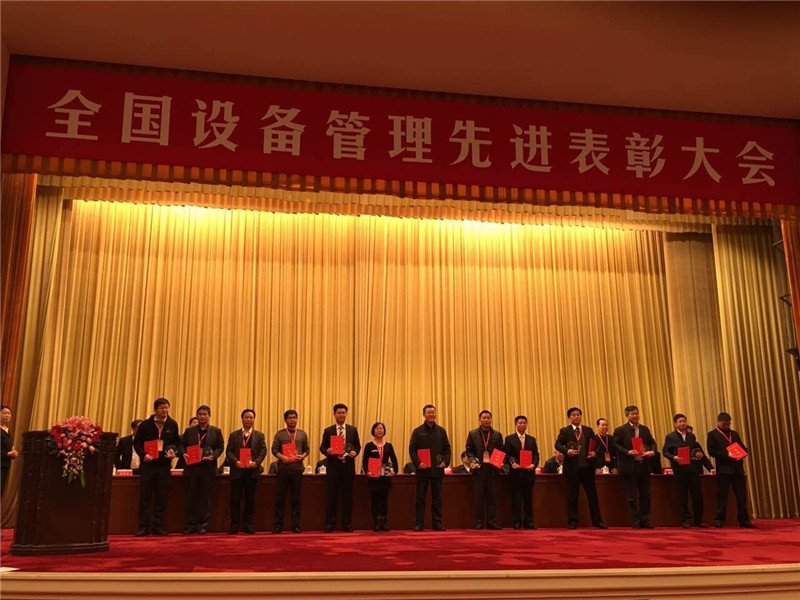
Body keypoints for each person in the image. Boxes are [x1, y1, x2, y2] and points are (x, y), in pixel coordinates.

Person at [133, 398, 181, 536]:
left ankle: (158, 526)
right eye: (162, 408)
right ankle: (144, 527)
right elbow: (137, 443)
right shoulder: (146, 424)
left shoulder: (172, 424)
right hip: (148, 465)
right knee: (145, 496)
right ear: (155, 410)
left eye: (166, 407)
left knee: (161, 496)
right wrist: (143, 455)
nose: (165, 410)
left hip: (164, 466)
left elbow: (176, 443)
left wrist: (173, 450)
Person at [555, 407, 606, 529]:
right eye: (573, 415)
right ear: (569, 418)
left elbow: (598, 445)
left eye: (578, 414)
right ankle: (572, 521)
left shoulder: (588, 430)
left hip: (587, 468)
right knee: (572, 496)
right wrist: (567, 451)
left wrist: (595, 453)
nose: (576, 417)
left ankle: (597, 521)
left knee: (592, 495)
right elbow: (557, 444)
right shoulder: (565, 431)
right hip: (572, 469)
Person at [181, 405, 224, 535]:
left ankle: (203, 525)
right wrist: (183, 453)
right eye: (200, 414)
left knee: (205, 498)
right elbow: (182, 445)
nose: (202, 416)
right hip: (192, 468)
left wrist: (214, 456)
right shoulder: (189, 431)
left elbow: (220, 447)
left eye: (205, 414)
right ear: (197, 415)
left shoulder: (216, 431)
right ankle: (190, 525)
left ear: (209, 416)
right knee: (191, 497)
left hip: (208, 468)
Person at [613, 405, 657, 529]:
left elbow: (652, 443)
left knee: (646, 495)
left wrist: (652, 451)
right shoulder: (620, 430)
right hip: (630, 467)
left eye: (637, 413)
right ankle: (635, 521)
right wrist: (627, 452)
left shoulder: (644, 429)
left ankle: (645, 520)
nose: (635, 416)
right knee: (632, 496)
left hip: (644, 465)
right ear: (627, 415)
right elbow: (615, 445)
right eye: (632, 414)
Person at [707, 412, 754, 528]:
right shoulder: (712, 435)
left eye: (728, 424)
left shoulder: (734, 434)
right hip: (723, 470)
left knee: (741, 496)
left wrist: (743, 453)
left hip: (737, 470)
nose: (726, 426)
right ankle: (719, 520)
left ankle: (744, 520)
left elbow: (743, 447)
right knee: (722, 496)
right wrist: (727, 455)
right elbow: (711, 451)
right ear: (719, 422)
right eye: (724, 424)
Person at [408, 404, 451, 531]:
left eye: (433, 412)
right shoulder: (417, 431)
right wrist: (417, 463)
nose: (431, 415)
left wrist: (445, 462)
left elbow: (447, 449)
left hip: (437, 469)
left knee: (437, 498)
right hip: (423, 470)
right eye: (429, 413)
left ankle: (437, 523)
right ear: (424, 415)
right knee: (420, 498)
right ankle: (419, 523)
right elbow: (412, 449)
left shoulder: (441, 431)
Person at [662, 413, 708, 528]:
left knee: (697, 496)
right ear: (675, 424)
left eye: (684, 421)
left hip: (693, 470)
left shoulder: (691, 436)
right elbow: (665, 451)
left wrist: (698, 454)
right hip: (679, 471)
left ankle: (699, 520)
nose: (682, 423)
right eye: (680, 421)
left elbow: (694, 450)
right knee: (682, 497)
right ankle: (685, 520)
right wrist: (674, 457)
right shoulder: (670, 437)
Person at [320, 403, 361, 532]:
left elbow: (358, 446)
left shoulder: (352, 430)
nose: (341, 415)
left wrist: (355, 452)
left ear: (346, 414)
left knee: (347, 497)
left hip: (348, 467)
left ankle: (347, 524)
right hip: (333, 467)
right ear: (334, 414)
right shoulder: (328, 430)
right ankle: (330, 523)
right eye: (339, 413)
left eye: (343, 413)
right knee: (331, 497)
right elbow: (322, 447)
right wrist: (327, 451)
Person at [226, 408, 267, 534]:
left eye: (251, 417)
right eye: (246, 417)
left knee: (250, 500)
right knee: (235, 500)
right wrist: (235, 461)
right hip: (237, 471)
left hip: (252, 471)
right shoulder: (234, 435)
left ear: (254, 419)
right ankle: (234, 526)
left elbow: (263, 451)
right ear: (242, 419)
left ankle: (248, 525)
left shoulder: (259, 435)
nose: (248, 419)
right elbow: (229, 451)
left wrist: (257, 462)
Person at [271, 409, 310, 534]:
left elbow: (307, 450)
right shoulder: (280, 434)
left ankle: (296, 525)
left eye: (294, 417)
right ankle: (278, 525)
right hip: (283, 470)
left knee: (296, 499)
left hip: (297, 470)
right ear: (285, 420)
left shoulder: (302, 434)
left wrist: (303, 456)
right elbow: (274, 450)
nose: (292, 420)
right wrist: (282, 457)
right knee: (280, 499)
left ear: (297, 419)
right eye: (289, 418)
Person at [465, 410, 504, 530]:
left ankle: (492, 522)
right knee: (479, 498)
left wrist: (500, 461)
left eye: (488, 418)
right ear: (480, 420)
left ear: (491, 420)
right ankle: (479, 522)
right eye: (484, 418)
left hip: (493, 470)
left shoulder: (497, 435)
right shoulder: (473, 434)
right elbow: (469, 450)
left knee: (492, 497)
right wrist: (472, 461)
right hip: (478, 470)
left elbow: (501, 450)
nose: (486, 420)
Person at [362, 422, 400, 531]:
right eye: (377, 429)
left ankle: (384, 521)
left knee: (384, 500)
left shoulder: (388, 445)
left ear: (384, 431)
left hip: (385, 477)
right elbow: (365, 460)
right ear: (373, 431)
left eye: (381, 428)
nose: (379, 430)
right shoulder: (369, 446)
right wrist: (367, 471)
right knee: (375, 500)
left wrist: (394, 471)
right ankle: (376, 522)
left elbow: (394, 459)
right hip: (373, 477)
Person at [503, 415, 539, 529]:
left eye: (524, 423)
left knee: (528, 499)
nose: (522, 425)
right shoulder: (509, 439)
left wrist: (534, 464)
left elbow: (536, 455)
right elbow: (507, 454)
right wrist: (513, 463)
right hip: (516, 473)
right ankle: (517, 522)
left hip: (529, 473)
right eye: (520, 423)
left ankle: (529, 522)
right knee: (516, 499)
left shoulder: (532, 439)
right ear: (516, 424)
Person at [1, 405, 18, 497]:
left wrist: (13, 452)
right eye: (4, 413)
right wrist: (7, 454)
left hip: (4, 465)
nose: (7, 415)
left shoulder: (7, 430)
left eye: (9, 413)